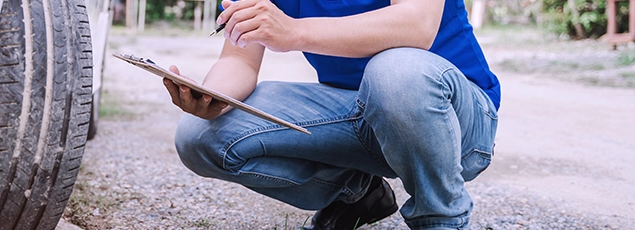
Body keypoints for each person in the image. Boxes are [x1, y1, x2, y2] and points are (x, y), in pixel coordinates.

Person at [162, 0, 500, 229]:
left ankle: (440, 217)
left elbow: (416, 25)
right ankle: (355, 194)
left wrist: (293, 32)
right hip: (359, 114)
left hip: (455, 121)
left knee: (395, 71)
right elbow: (239, 58)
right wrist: (212, 97)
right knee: (198, 134)